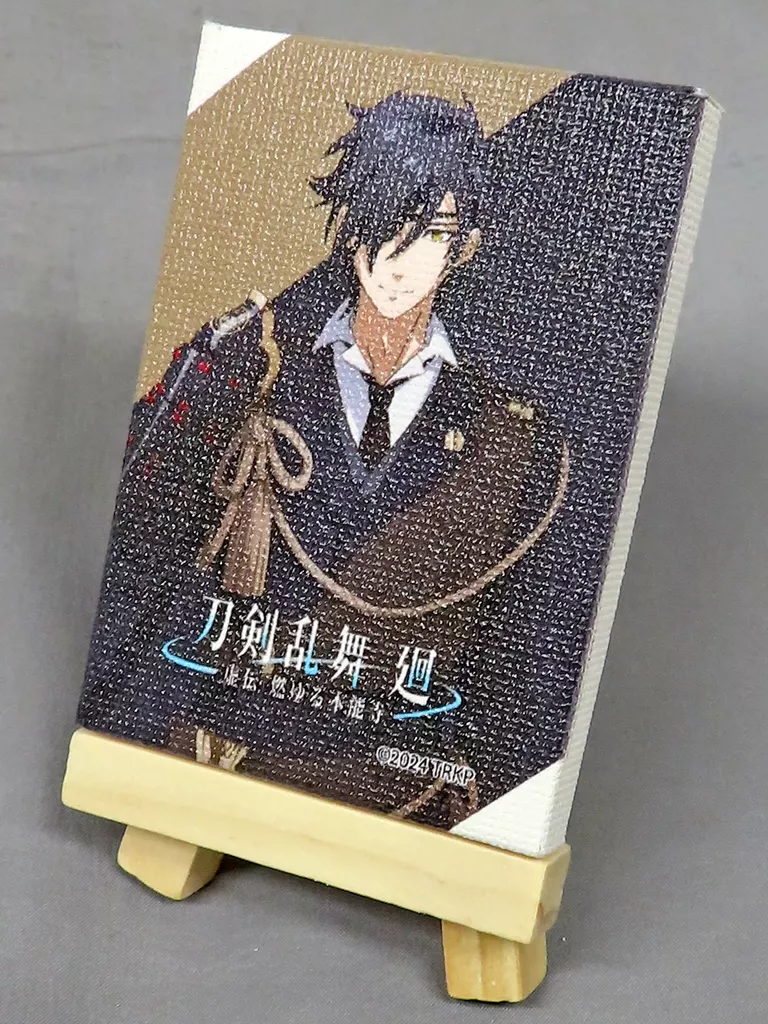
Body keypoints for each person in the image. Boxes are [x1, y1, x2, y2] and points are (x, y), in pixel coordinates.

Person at [80, 91, 568, 829]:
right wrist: (206, 384)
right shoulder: (259, 367)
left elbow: (512, 666)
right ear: (351, 228)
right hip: (226, 758)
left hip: (395, 794)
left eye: (429, 232)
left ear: (464, 244)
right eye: (381, 223)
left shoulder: (504, 434)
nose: (397, 259)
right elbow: (146, 533)